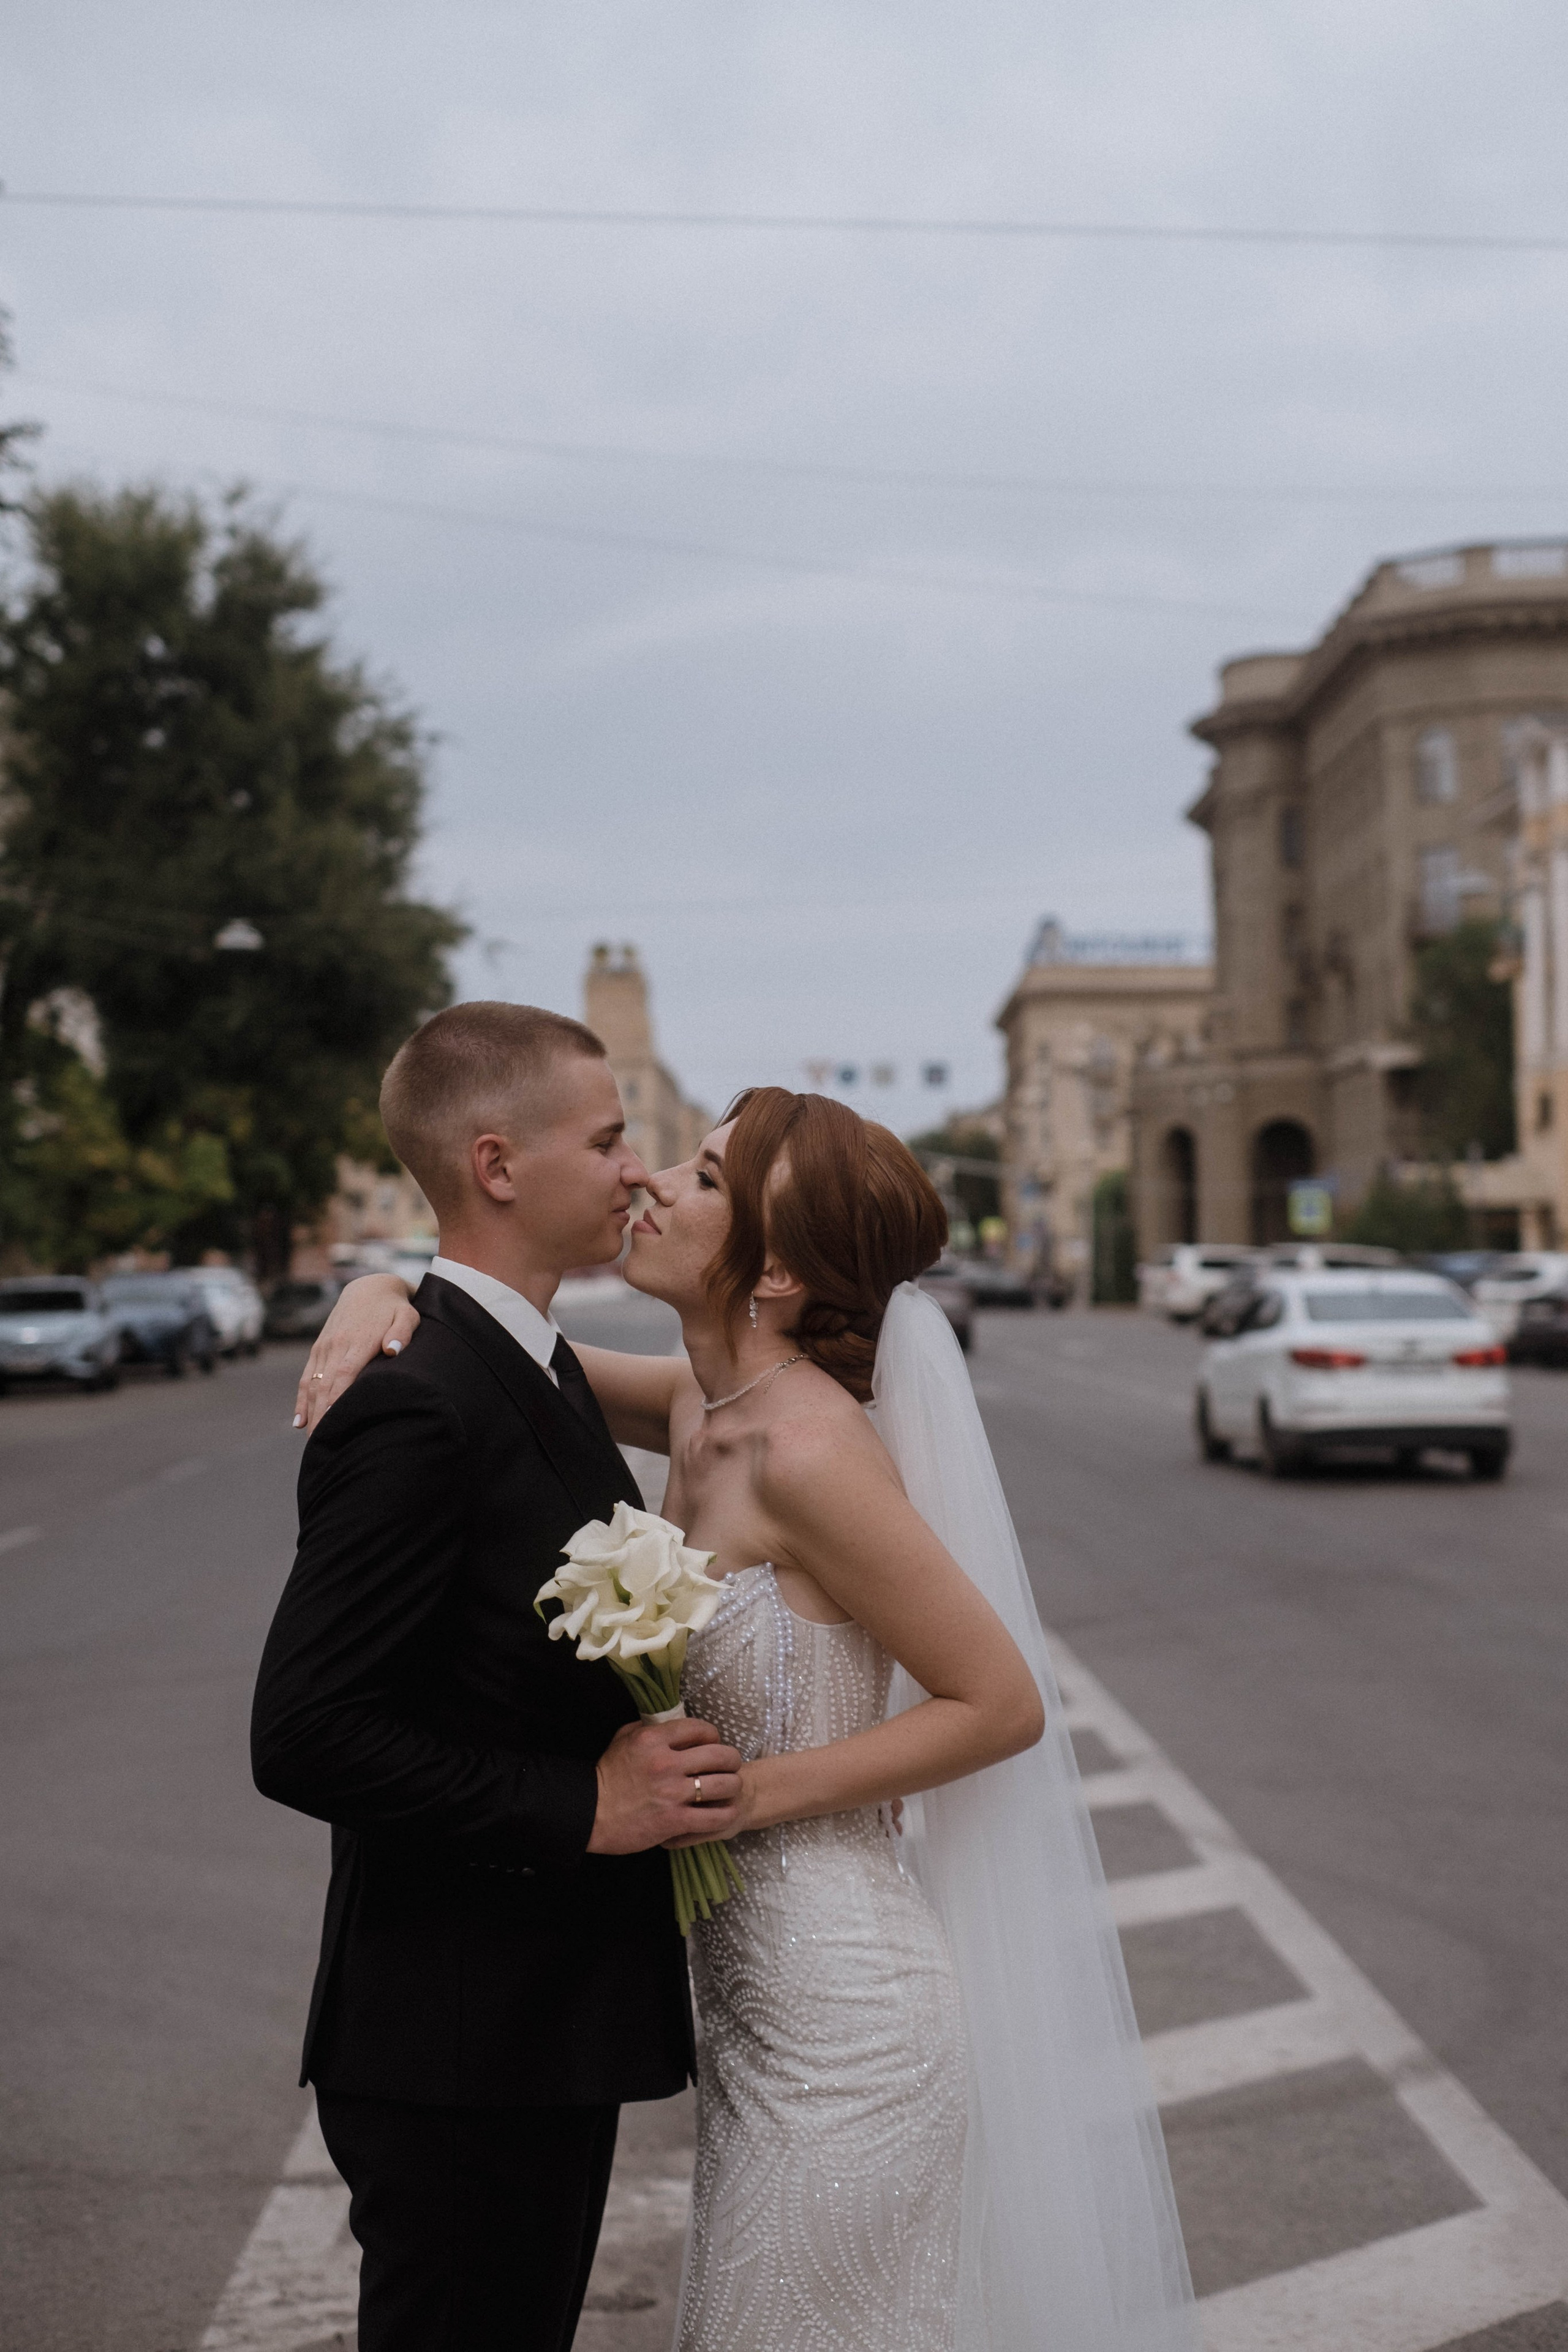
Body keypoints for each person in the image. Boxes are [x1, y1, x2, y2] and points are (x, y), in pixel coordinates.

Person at [299, 1080, 1199, 2351]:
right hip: (745, 2014)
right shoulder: (696, 1407)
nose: (652, 1182)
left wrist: (741, 1794)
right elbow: (501, 1353)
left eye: (704, 1179)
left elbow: (996, 1702)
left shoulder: (808, 1452)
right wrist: (377, 1290)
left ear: (774, 1273)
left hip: (847, 2022)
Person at [251, 1002, 748, 2352]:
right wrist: (580, 1805)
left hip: (528, 2028)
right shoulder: (417, 1400)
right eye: (605, 1139)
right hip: (454, 2040)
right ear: (496, 1165)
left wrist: (389, 1282)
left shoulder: (515, 1357)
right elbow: (305, 1730)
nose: (634, 1169)